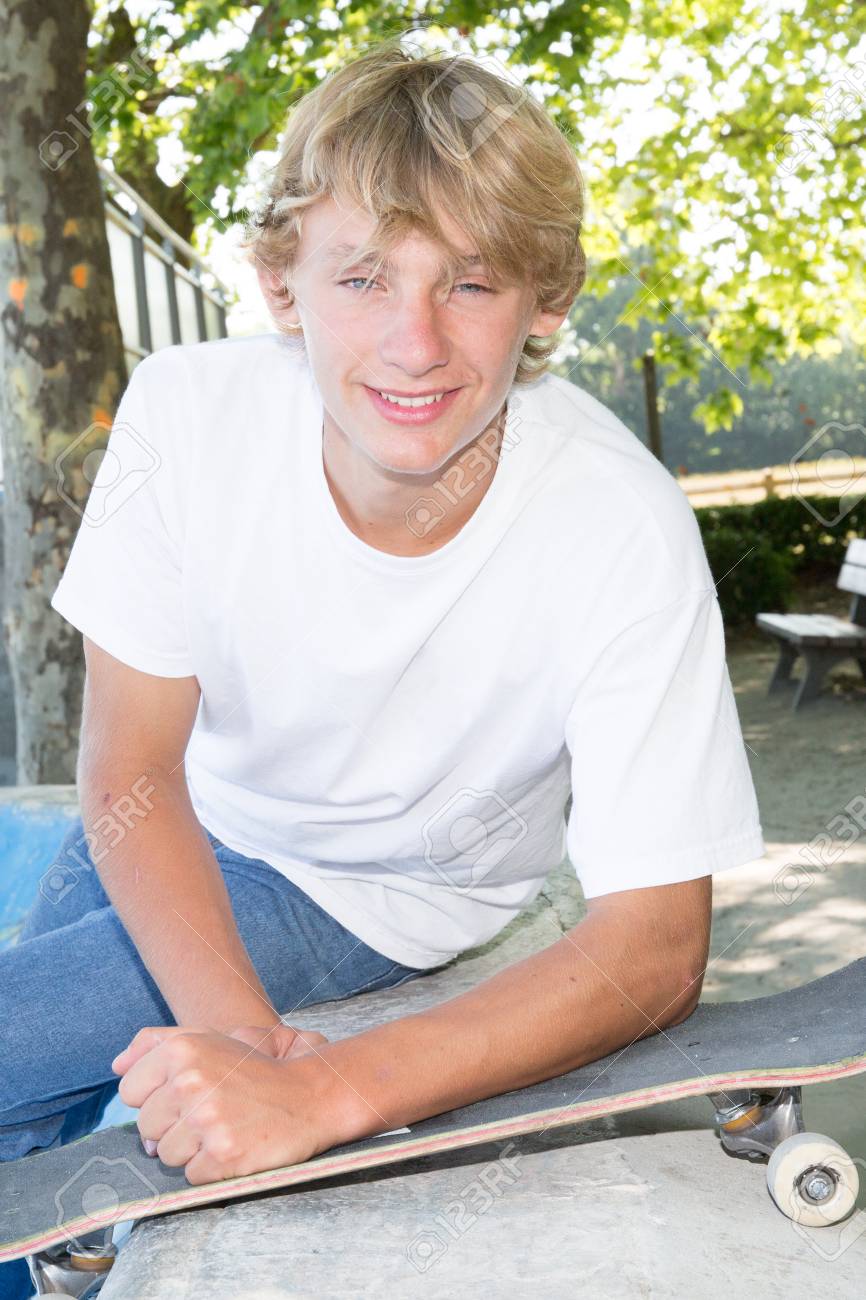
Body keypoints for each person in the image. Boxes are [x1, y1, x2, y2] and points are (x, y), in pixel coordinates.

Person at [0, 36, 765, 1294]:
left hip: (367, 889)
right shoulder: (186, 414)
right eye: (362, 276)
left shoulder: (616, 525)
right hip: (174, 816)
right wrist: (241, 1041)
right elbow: (130, 764)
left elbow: (653, 949)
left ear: (547, 300)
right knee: (28, 1111)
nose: (414, 343)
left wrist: (319, 1090)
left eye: (468, 282)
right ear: (281, 284)